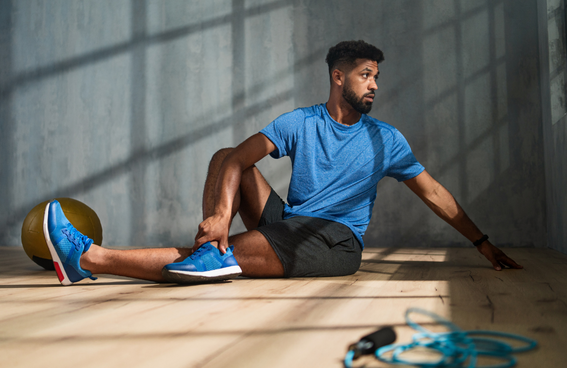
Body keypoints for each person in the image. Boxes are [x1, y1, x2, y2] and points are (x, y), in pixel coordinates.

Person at [43, 40, 523, 286]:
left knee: (229, 254)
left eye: (377, 76)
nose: (374, 84)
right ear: (339, 78)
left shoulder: (386, 140)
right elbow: (236, 160)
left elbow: (436, 193)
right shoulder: (301, 122)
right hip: (292, 223)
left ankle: (89, 258)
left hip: (334, 241)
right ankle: (216, 250)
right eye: (365, 75)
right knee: (223, 157)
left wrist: (481, 242)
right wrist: (218, 218)